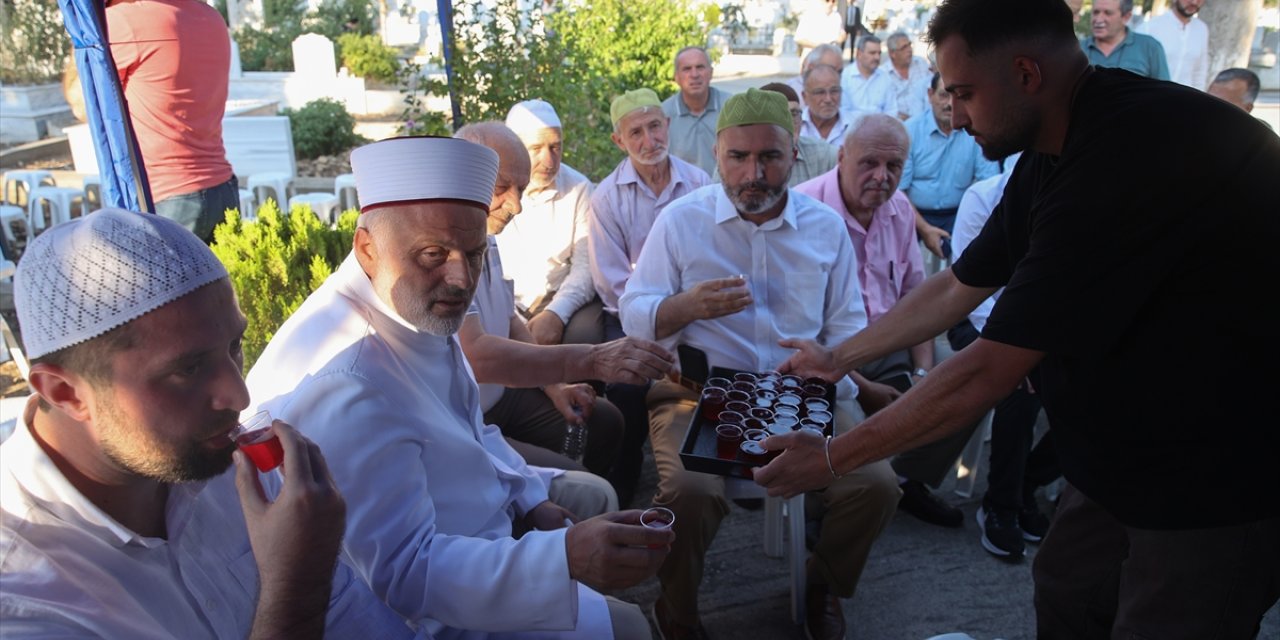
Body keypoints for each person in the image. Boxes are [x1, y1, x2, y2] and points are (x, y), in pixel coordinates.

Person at [756, 0, 1280, 637]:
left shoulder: (1125, 155)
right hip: (1119, 456)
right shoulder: (1055, 142)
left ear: (1026, 74)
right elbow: (957, 283)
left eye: (966, 92)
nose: (956, 111)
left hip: (1217, 475)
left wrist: (833, 457)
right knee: (1066, 590)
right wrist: (838, 358)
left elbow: (989, 370)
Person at [246, 136, 672, 640]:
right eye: (432, 254)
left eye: (474, 254)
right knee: (629, 629)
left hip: (475, 535)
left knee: (594, 505)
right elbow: (402, 575)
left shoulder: (411, 303)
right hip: (426, 612)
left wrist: (530, 498)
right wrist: (560, 558)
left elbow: (471, 426)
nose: (460, 278)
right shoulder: (347, 378)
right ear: (367, 247)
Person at [2, 208, 420, 638]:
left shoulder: (219, 467)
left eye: (234, 345)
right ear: (65, 393)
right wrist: (296, 585)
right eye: (188, 369)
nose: (238, 396)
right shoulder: (22, 598)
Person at [621, 88, 899, 640]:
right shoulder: (681, 222)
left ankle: (822, 582)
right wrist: (685, 307)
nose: (754, 172)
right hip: (696, 391)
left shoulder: (824, 228)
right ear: (716, 156)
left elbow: (846, 327)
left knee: (878, 485)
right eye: (739, 157)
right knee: (689, 494)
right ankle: (677, 611)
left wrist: (828, 370)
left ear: (794, 154)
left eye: (769, 156)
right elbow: (634, 314)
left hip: (800, 393)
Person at [454, 121, 674, 480]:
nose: (516, 206)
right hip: (469, 414)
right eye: (501, 188)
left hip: (504, 395)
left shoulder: (486, 233)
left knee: (605, 421)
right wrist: (593, 361)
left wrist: (556, 386)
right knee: (579, 483)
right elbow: (478, 355)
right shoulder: (447, 251)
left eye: (522, 190)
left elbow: (506, 317)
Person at [795, 113, 979, 529]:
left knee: (968, 377)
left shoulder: (898, 209)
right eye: (869, 163)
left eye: (894, 166)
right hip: (824, 356)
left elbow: (917, 297)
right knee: (821, 396)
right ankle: (827, 501)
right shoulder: (804, 210)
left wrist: (923, 370)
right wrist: (858, 383)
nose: (882, 177)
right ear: (841, 157)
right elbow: (794, 332)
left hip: (890, 347)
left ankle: (905, 477)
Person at [589, 88, 711, 506]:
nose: (649, 140)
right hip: (629, 317)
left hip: (694, 312)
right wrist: (660, 315)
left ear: (668, 126)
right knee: (626, 385)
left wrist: (683, 311)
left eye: (655, 126)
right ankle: (625, 472)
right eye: (635, 132)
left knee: (720, 365)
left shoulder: (699, 183)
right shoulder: (606, 197)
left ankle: (726, 462)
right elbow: (611, 282)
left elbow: (713, 258)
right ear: (619, 141)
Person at [947, 155, 1059, 560]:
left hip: (1043, 328)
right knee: (1017, 389)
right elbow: (971, 295)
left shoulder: (1072, 200)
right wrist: (1018, 352)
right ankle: (1001, 504)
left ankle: (1030, 479)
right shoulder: (982, 199)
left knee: (1089, 387)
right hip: (978, 322)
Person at [106, 0, 239, 242]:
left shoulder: (125, 21)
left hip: (169, 197)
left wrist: (85, 39)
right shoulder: (211, 17)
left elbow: (82, 102)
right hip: (222, 187)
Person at [501, 100, 604, 346]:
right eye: (536, 148)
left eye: (555, 147)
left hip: (561, 296)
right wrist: (516, 323)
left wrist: (556, 313)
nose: (549, 161)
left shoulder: (579, 188)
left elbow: (586, 267)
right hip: (504, 302)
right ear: (514, 149)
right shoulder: (494, 190)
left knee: (586, 338)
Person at [900, 72, 1000, 259]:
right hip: (913, 214)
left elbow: (990, 182)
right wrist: (925, 228)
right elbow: (899, 191)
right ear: (930, 95)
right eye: (944, 95)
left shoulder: (975, 130)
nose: (950, 104)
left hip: (960, 214)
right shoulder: (909, 131)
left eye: (957, 96)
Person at [712, 82, 837, 187]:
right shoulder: (731, 161)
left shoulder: (824, 156)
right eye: (778, 117)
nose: (787, 123)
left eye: (794, 114)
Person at [662, 47, 732, 177]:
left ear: (711, 73)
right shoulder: (663, 115)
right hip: (683, 194)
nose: (694, 75)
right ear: (676, 77)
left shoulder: (732, 108)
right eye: (687, 69)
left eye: (700, 67)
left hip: (723, 191)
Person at [1081, 0, 1170, 80]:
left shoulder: (1150, 47)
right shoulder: (1077, 48)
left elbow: (1166, 92)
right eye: (1096, 12)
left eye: (1108, 13)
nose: (1098, 19)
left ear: (1126, 17)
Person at [1137, 0, 1209, 89]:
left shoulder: (1202, 29)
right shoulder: (1149, 28)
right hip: (1153, 96)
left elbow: (1199, 72)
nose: (1194, 2)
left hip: (1185, 98)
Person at [865, 32, 933, 121]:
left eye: (909, 45)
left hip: (927, 120)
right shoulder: (883, 74)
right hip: (898, 124)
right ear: (892, 53)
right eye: (904, 47)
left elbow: (933, 90)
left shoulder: (921, 64)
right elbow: (880, 106)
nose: (909, 50)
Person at [799, 63, 864, 145]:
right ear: (805, 97)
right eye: (820, 92)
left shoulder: (857, 126)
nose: (828, 99)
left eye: (834, 91)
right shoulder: (795, 127)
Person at [1207, 68, 1274, 132]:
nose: (1213, 109)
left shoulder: (1260, 137)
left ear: (1248, 108)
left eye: (1223, 106)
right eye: (1209, 101)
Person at [841, 35, 884, 111]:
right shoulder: (845, 77)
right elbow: (843, 111)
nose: (877, 57)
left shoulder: (885, 77)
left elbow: (891, 110)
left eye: (879, 53)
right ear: (859, 54)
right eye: (872, 53)